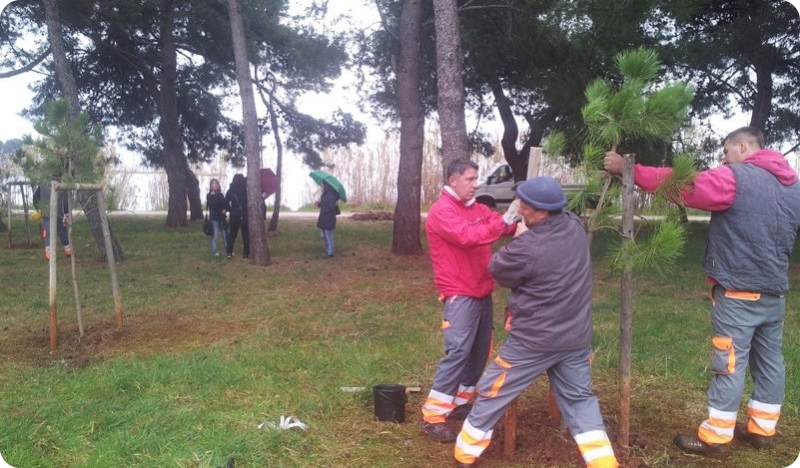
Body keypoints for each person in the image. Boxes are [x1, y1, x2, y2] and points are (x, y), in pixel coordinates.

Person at [604, 126, 800, 457]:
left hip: (738, 293)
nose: (722, 159)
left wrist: (631, 171)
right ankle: (764, 429)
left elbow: (685, 186)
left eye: (726, 151)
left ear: (742, 146)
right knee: (770, 361)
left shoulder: (735, 177)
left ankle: (716, 437)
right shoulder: (792, 186)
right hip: (775, 292)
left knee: (729, 362)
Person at [453, 177, 619, 468]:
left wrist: (518, 239)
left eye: (523, 206)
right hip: (576, 337)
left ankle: (464, 455)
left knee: (493, 391)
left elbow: (498, 270)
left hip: (533, 341)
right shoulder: (575, 226)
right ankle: (604, 463)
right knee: (580, 400)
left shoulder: (528, 247)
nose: (520, 210)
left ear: (540, 211)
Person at [421, 158, 519, 443]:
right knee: (458, 353)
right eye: (470, 179)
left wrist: (519, 211)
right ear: (453, 180)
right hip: (459, 294)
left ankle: (460, 403)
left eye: (477, 179)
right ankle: (433, 415)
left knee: (478, 354)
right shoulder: (441, 212)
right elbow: (467, 237)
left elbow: (504, 227)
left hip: (482, 291)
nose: (476, 184)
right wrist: (503, 222)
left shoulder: (477, 208)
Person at [33, 176, 71, 261]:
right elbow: (65, 202)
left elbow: (35, 197)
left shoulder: (42, 184)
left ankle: (49, 253)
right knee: (62, 231)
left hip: (46, 213)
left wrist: (38, 208)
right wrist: (66, 214)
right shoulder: (62, 184)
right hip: (59, 213)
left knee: (47, 233)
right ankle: (68, 250)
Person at [225, 174, 249, 259]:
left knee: (232, 234)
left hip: (234, 214)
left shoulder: (231, 191)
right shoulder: (247, 190)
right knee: (245, 235)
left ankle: (229, 252)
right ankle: (246, 254)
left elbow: (226, 202)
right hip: (244, 214)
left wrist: (230, 209)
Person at [315, 181, 340, 257]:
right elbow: (325, 204)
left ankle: (330, 251)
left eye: (323, 185)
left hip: (328, 216)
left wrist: (322, 206)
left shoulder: (330, 194)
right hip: (324, 216)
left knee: (328, 234)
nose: (322, 186)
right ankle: (327, 249)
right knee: (324, 234)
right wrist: (319, 204)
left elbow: (330, 207)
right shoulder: (326, 193)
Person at [206, 178, 228, 257]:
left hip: (222, 217)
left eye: (216, 183)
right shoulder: (209, 195)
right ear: (211, 186)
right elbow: (212, 205)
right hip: (214, 218)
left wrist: (225, 209)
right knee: (215, 235)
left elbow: (224, 203)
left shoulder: (221, 195)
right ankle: (214, 250)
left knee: (225, 234)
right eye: (213, 184)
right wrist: (214, 196)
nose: (215, 185)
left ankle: (228, 249)